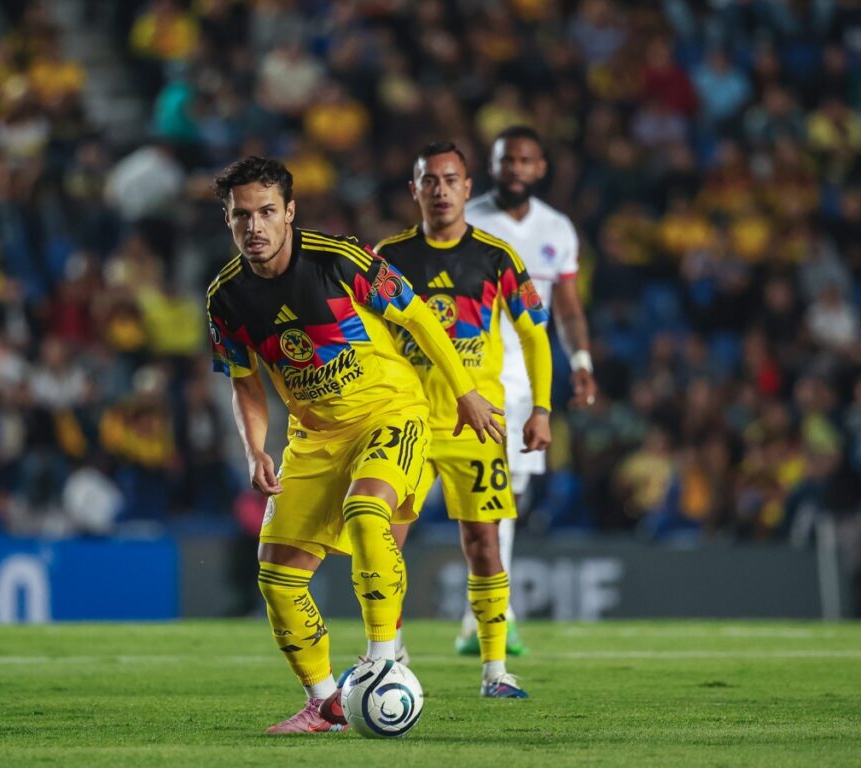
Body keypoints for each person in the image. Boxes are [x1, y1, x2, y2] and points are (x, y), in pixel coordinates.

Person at [206, 156, 503, 734]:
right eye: (241, 216)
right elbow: (244, 381)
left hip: (389, 413)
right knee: (276, 577)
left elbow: (418, 317)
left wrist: (464, 392)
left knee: (368, 511)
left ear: (289, 212)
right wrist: (255, 448)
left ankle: (383, 660)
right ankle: (326, 703)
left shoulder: (338, 259)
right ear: (228, 220)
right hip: (314, 439)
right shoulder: (226, 298)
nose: (255, 227)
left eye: (267, 212)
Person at [376, 142, 553, 698]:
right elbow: (368, 337)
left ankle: (496, 671)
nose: (441, 190)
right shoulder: (388, 257)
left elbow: (533, 334)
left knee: (485, 544)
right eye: (429, 181)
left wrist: (542, 408)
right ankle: (387, 653)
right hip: (407, 422)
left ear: (468, 187)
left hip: (477, 427)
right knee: (384, 540)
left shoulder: (497, 257)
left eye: (451, 179)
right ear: (415, 189)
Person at [463, 125, 598, 655]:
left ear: (540, 168)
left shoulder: (557, 229)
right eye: (506, 160)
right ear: (493, 167)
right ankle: (491, 614)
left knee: (509, 492)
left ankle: (487, 613)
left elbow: (566, 306)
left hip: (528, 375)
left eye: (524, 160)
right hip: (473, 370)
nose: (515, 168)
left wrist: (581, 360)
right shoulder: (467, 218)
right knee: (479, 488)